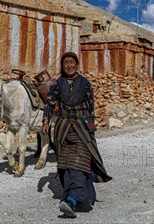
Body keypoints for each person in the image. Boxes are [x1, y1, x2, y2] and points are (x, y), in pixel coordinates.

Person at [42, 51, 112, 218]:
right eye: (66, 62)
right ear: (62, 65)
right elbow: (50, 103)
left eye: (72, 62)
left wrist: (91, 125)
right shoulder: (57, 84)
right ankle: (75, 197)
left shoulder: (85, 83)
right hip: (63, 128)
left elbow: (91, 105)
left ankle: (72, 200)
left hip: (81, 128)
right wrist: (46, 121)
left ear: (77, 65)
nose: (69, 65)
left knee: (79, 163)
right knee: (65, 164)